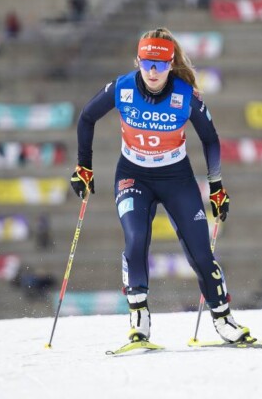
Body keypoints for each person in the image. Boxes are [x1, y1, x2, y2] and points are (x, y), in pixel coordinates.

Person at [70, 27, 250, 344]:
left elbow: (210, 139)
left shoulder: (185, 96)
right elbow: (86, 118)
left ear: (171, 64)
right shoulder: (123, 87)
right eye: (147, 63)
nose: (153, 72)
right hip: (133, 175)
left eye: (161, 64)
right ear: (138, 61)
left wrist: (216, 187)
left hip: (176, 178)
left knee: (200, 252)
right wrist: (84, 166)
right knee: (136, 237)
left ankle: (224, 320)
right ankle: (139, 316)